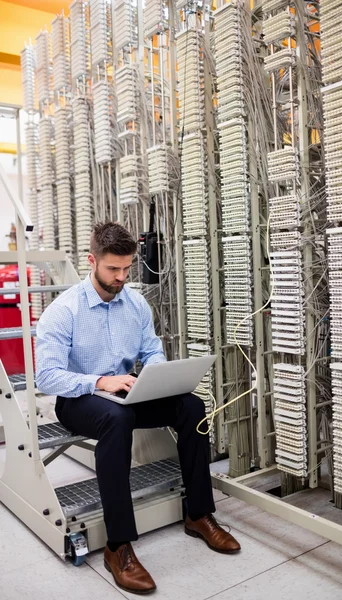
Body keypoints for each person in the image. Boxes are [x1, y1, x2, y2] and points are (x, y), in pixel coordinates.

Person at [35, 221, 240, 595]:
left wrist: (158, 376)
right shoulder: (63, 311)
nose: (121, 277)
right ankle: (119, 546)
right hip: (78, 399)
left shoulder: (135, 303)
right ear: (91, 261)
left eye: (127, 268)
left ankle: (198, 514)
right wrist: (98, 382)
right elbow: (46, 377)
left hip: (128, 393)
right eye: (113, 269)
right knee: (118, 417)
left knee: (192, 407)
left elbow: (152, 350)